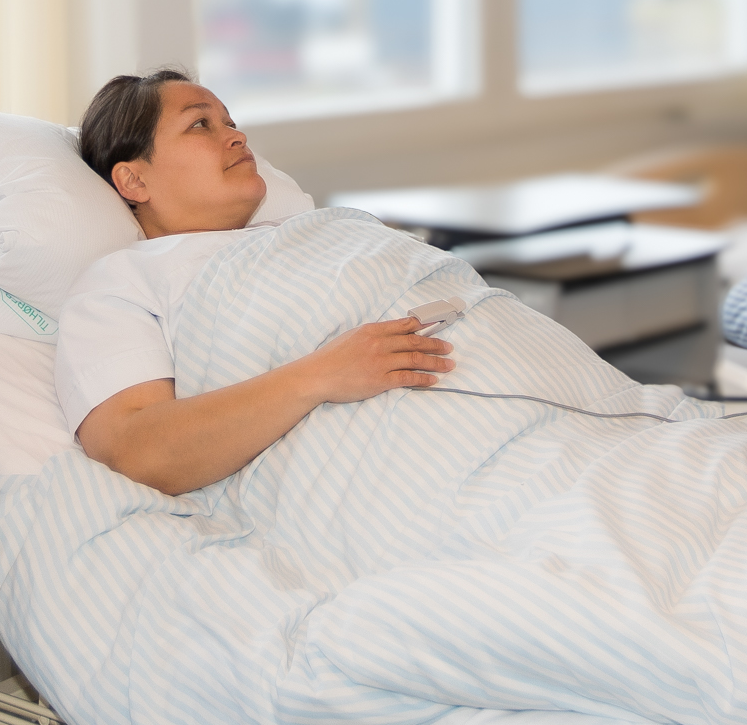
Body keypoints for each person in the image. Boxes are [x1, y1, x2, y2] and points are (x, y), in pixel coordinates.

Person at [56, 69, 456, 494]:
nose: (237, 136)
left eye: (229, 122)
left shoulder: (314, 230)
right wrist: (320, 375)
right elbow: (136, 451)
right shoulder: (122, 283)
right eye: (200, 124)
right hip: (417, 457)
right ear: (134, 180)